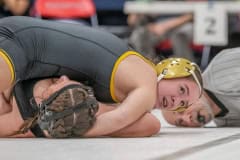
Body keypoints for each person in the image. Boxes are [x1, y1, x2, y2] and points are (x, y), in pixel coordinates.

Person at [0, 16, 202, 138]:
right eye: (181, 90)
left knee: (148, 124)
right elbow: (116, 120)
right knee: (149, 125)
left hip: (23, 59)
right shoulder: (146, 79)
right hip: (18, 43)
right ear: (169, 71)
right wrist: (58, 128)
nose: (175, 101)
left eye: (182, 104)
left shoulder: (134, 72)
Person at [162, 47, 240, 127]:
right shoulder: (226, 123)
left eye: (181, 110)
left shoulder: (220, 71)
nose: (188, 119)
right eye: (181, 122)